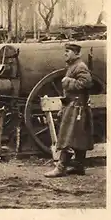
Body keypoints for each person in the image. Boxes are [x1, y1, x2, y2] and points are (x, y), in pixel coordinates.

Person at [44, 43, 94, 178]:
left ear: (76, 54)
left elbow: (87, 83)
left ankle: (60, 168)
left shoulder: (80, 66)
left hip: (77, 107)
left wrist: (67, 82)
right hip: (73, 105)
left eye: (68, 51)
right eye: (65, 51)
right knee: (78, 137)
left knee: (69, 137)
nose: (65, 53)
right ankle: (79, 166)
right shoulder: (73, 66)